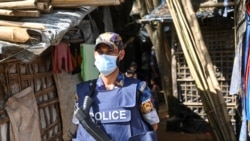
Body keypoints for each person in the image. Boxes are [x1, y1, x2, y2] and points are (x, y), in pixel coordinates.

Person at [73, 32, 159, 141]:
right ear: (95, 54)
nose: (104, 56)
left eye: (110, 52)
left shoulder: (139, 89)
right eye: (100, 52)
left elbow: (153, 125)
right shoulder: (82, 92)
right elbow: (79, 126)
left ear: (121, 55)